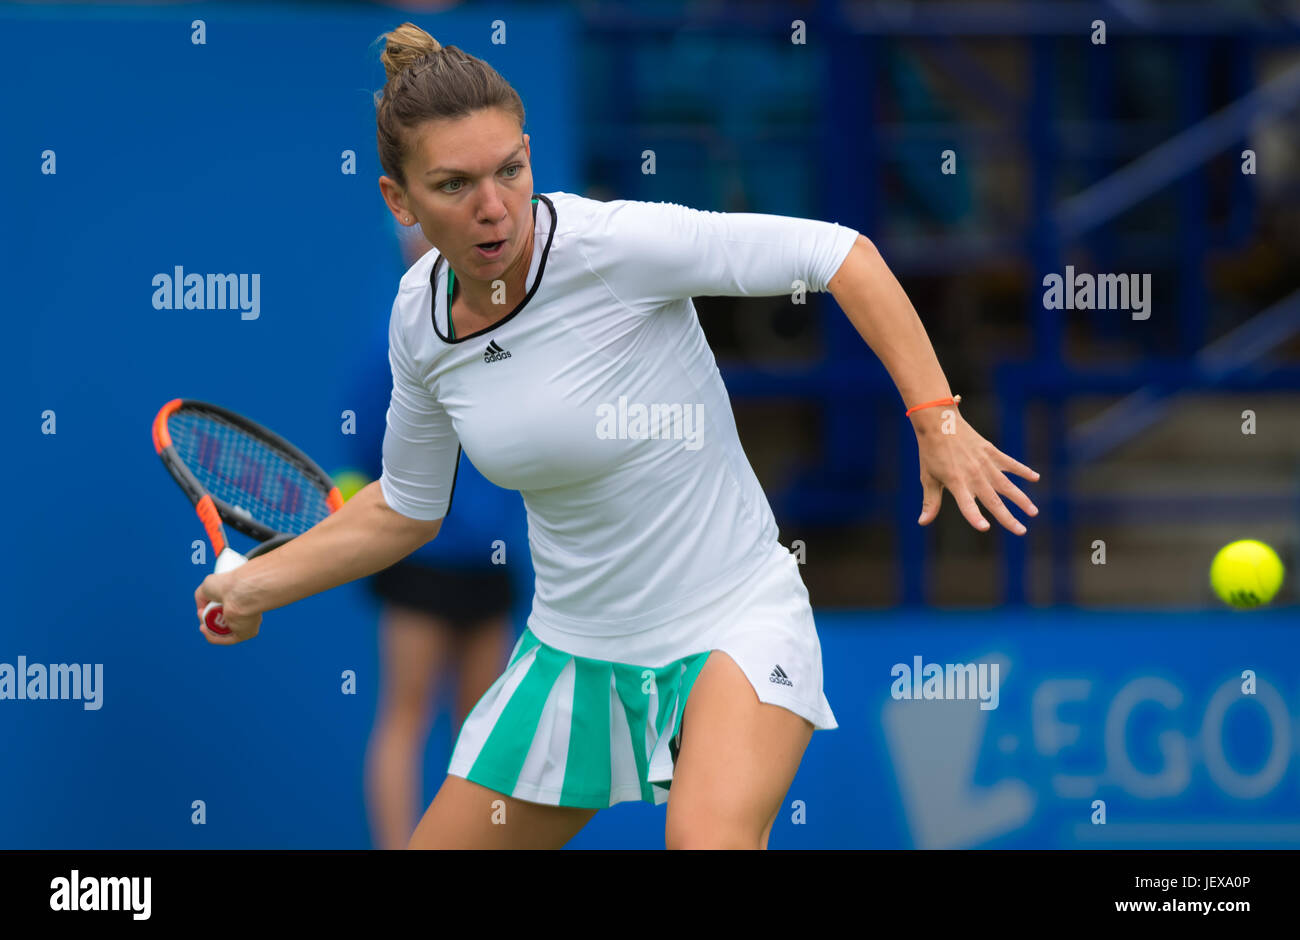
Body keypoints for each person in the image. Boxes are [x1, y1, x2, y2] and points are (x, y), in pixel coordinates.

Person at [194, 22, 1041, 850]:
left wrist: (938, 419)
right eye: (455, 185)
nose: (494, 208)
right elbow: (405, 510)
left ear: (530, 154)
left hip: (730, 623)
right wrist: (258, 587)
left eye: (510, 171)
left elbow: (840, 254)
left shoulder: (618, 246)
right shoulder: (418, 320)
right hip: (573, 654)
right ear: (399, 198)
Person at [347, 259, 529, 848]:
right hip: (420, 563)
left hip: (490, 564)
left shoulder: (512, 338)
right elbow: (360, 448)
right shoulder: (394, 339)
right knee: (406, 716)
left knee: (482, 736)